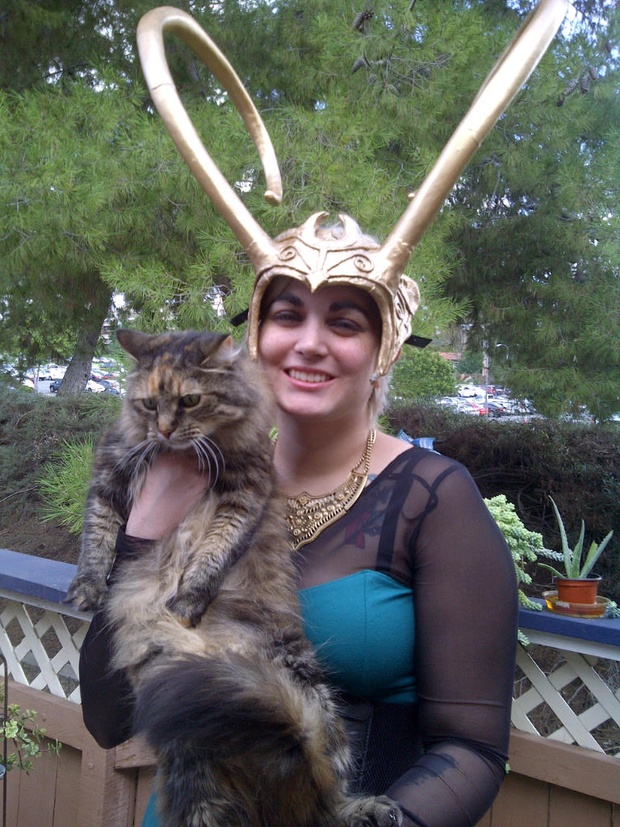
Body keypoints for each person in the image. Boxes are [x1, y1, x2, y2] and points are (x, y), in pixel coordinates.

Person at [79, 215, 518, 827]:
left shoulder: (434, 498)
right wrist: (145, 528)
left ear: (385, 348)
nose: (309, 343)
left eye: (344, 322)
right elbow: (107, 721)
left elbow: (472, 751)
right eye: (287, 316)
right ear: (256, 337)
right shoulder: (192, 470)